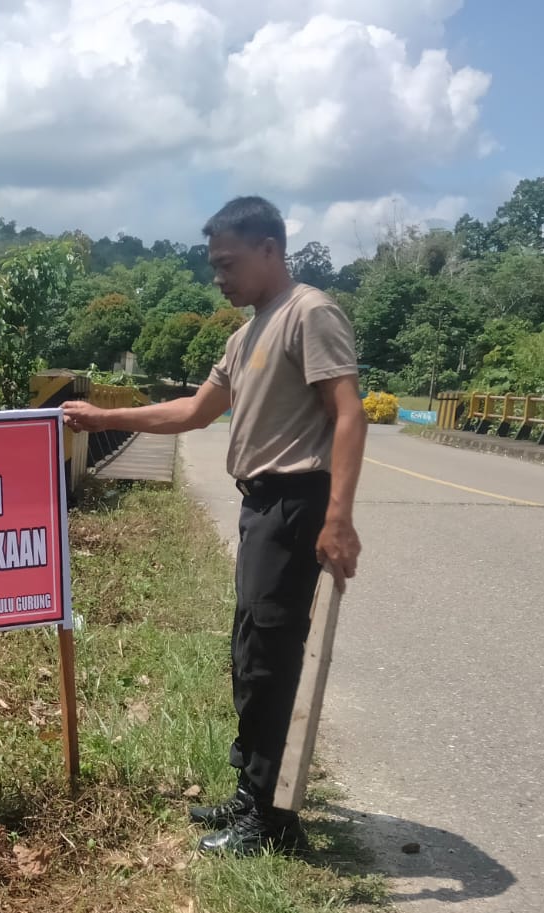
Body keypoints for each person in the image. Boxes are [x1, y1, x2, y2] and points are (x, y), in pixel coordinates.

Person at [62, 196, 366, 855]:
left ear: (269, 250)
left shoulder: (308, 314)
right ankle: (251, 792)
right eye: (213, 266)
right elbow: (197, 411)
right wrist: (106, 418)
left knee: (269, 657)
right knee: (249, 650)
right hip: (261, 504)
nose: (219, 278)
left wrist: (338, 517)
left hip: (296, 501)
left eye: (228, 263)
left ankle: (272, 820)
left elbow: (348, 414)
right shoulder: (245, 334)